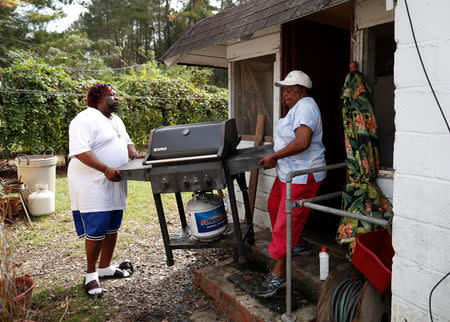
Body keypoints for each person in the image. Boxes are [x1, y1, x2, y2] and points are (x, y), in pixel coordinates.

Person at [67, 83, 144, 297]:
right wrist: (105, 169)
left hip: (115, 181)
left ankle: (105, 267)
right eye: (111, 95)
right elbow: (81, 151)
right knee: (97, 226)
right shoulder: (84, 119)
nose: (116, 98)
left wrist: (134, 155)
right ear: (98, 98)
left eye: (116, 95)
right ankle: (91, 274)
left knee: (112, 225)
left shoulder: (116, 120)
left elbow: (127, 143)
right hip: (92, 182)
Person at [256, 70, 326, 297]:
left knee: (286, 223)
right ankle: (295, 243)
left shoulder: (306, 105)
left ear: (302, 90)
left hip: (302, 175)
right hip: (287, 173)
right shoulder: (295, 110)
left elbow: (303, 141)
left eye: (289, 89)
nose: (285, 94)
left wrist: (274, 157)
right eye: (284, 90)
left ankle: (279, 275)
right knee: (275, 207)